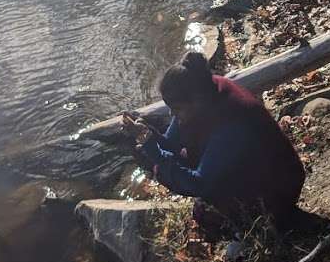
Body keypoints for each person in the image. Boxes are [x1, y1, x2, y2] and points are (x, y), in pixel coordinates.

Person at [123, 51, 305, 233]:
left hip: (279, 187)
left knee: (204, 213)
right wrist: (149, 134)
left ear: (197, 101)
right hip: (250, 168)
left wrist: (152, 148)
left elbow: (198, 183)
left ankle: (255, 227)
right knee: (170, 166)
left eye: (176, 109)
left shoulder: (231, 121)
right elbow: (173, 144)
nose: (172, 114)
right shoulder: (204, 88)